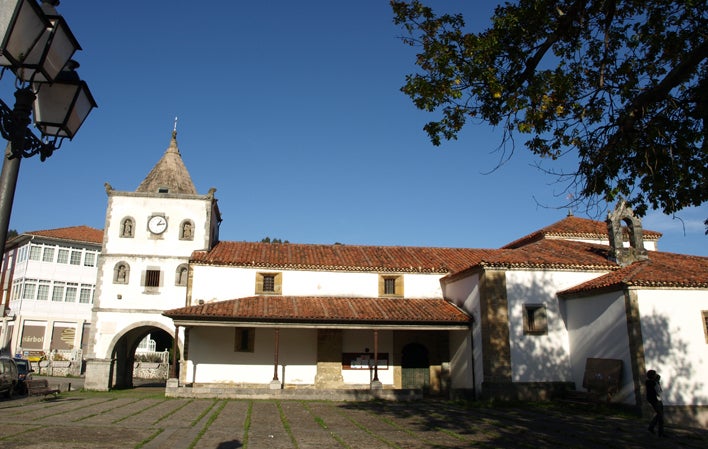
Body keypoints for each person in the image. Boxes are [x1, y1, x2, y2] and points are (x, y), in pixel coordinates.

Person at [645, 369, 665, 436]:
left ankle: (651, 427)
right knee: (660, 416)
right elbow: (659, 391)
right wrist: (658, 382)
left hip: (652, 399)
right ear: (653, 376)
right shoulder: (654, 383)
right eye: (655, 374)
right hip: (656, 400)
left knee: (659, 414)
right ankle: (660, 432)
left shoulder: (648, 382)